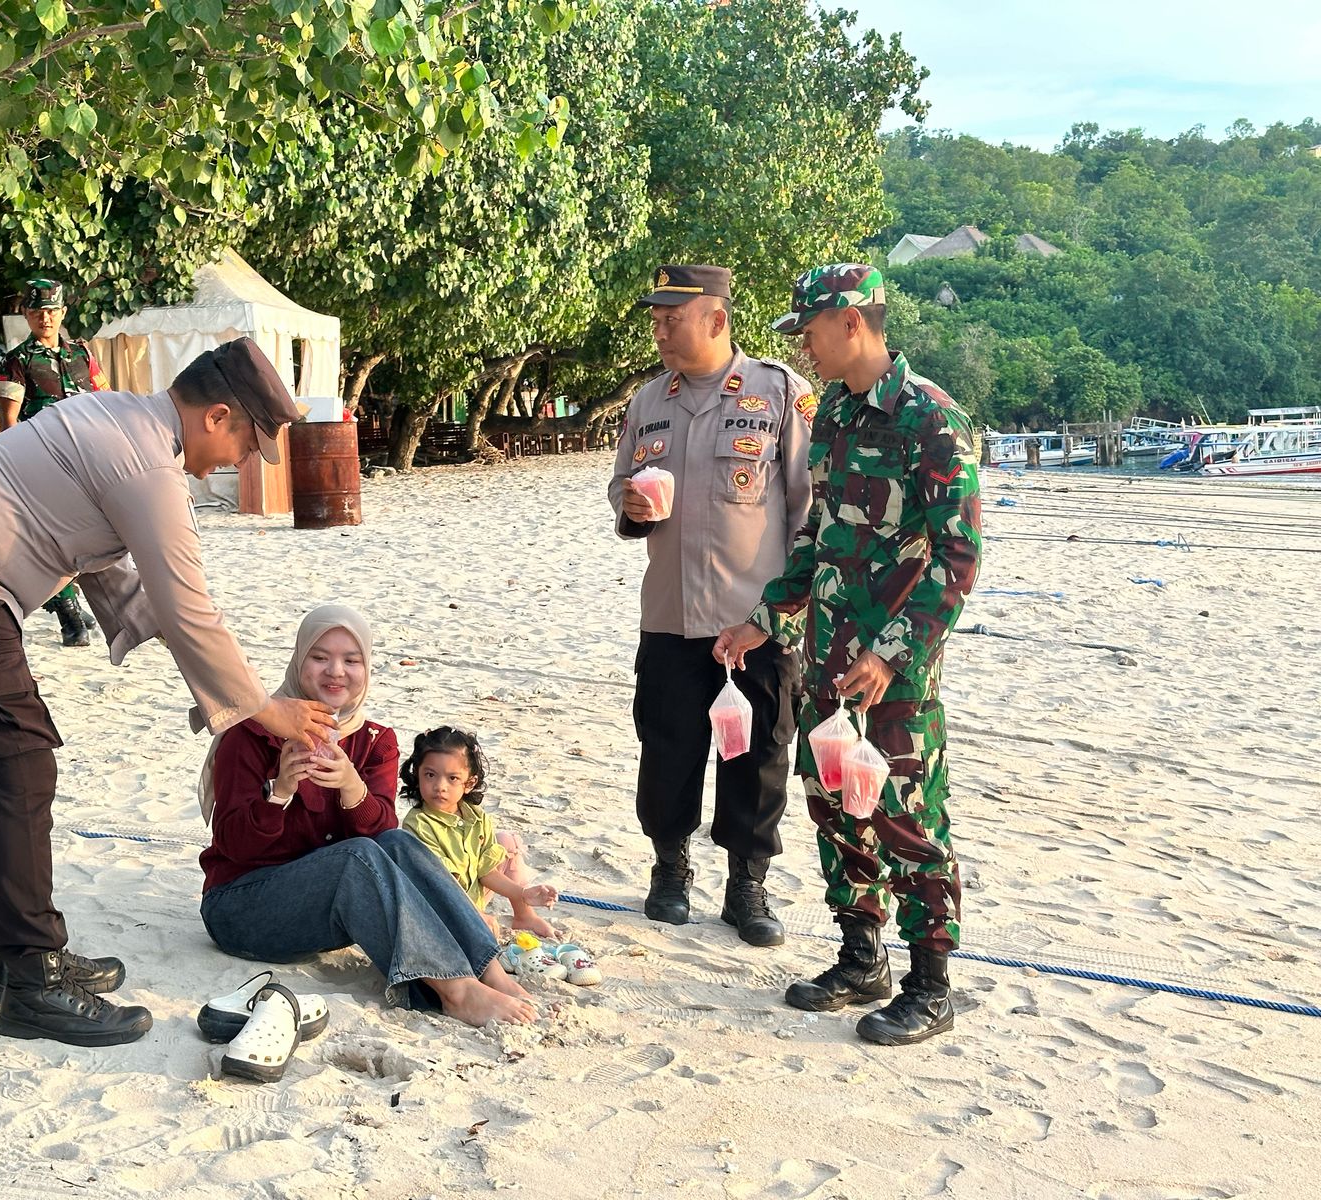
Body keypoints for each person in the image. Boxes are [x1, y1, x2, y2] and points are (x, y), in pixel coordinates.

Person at [0, 337, 333, 1047]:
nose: (242, 461)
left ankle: (20, 955)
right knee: (13, 767)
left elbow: (117, 576)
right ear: (218, 415)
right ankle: (33, 980)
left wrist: (227, 694)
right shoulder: (148, 466)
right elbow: (188, 606)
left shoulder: (116, 416)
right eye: (249, 444)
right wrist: (262, 708)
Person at [714, 263, 982, 1046]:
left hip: (893, 677)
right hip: (828, 659)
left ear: (853, 323)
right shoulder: (832, 412)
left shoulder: (931, 420)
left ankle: (931, 985)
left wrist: (893, 655)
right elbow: (818, 535)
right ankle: (862, 958)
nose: (805, 348)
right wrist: (768, 618)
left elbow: (958, 558)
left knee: (906, 817)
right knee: (835, 807)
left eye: (811, 332)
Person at [199, 606, 539, 1027]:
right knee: (355, 855)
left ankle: (488, 971)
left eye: (351, 660)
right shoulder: (251, 733)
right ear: (299, 659)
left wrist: (351, 786)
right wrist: (281, 790)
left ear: (367, 667)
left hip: (327, 913)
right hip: (242, 908)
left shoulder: (374, 740)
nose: (335, 672)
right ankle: (456, 991)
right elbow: (233, 845)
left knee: (397, 841)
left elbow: (384, 839)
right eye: (319, 657)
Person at [607, 264, 815, 947]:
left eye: (673, 319)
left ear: (717, 320)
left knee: (757, 757)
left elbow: (808, 508)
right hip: (670, 615)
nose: (660, 332)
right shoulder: (649, 401)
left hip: (752, 623)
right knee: (667, 749)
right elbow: (620, 485)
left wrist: (781, 614)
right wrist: (630, 505)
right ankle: (670, 870)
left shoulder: (778, 392)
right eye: (657, 320)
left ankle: (746, 884)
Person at [0, 278, 111, 647]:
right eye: (36, 311)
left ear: (62, 313)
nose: (44, 317)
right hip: (44, 461)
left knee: (88, 535)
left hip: (88, 459)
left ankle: (74, 599)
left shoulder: (82, 354)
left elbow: (105, 399)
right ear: (26, 315)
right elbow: (8, 419)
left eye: (51, 311)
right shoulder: (17, 361)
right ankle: (69, 615)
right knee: (50, 539)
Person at [398, 726, 560, 939]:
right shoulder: (418, 824)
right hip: (441, 908)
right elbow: (443, 884)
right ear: (417, 775)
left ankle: (524, 915)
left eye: (452, 778)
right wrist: (476, 916)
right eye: (430, 775)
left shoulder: (475, 816)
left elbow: (487, 872)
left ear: (469, 783)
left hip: (473, 895)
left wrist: (523, 894)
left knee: (507, 842)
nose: (440, 786)